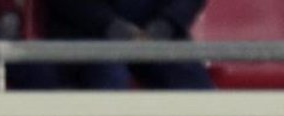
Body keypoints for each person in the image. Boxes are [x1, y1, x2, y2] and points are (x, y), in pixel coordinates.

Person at [41, 0, 214, 90]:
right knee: (110, 78)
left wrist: (165, 26)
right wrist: (113, 27)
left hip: (160, 35)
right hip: (90, 34)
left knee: (195, 89)